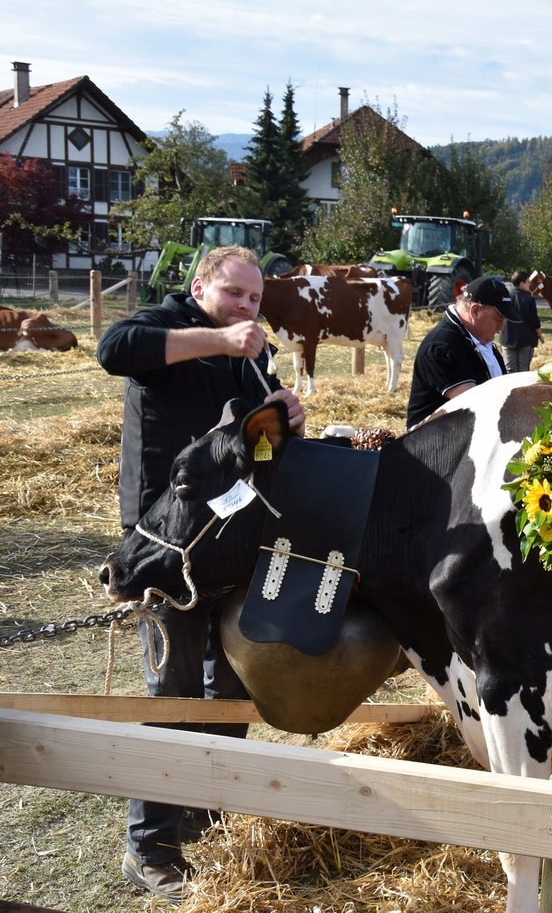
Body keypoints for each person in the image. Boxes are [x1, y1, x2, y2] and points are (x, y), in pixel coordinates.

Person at [96, 245, 306, 904]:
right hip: (163, 546)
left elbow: (254, 448)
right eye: (235, 293)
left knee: (230, 686)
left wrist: (285, 418)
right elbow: (113, 349)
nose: (247, 308)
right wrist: (220, 338)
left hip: (228, 541)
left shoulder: (250, 357)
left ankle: (206, 813)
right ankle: (150, 847)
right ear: (199, 288)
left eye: (256, 299)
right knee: (174, 693)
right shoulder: (162, 327)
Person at [406, 275, 522, 429]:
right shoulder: (442, 346)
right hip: (431, 439)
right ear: (475, 311)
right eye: (498, 319)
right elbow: (476, 404)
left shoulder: (481, 341)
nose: (501, 327)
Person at [500, 270, 543, 373]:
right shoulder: (529, 299)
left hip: (508, 339)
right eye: (528, 282)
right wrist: (540, 335)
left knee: (510, 370)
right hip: (526, 340)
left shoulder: (505, 297)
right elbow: (534, 321)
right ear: (521, 283)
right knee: (523, 371)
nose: (529, 284)